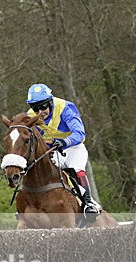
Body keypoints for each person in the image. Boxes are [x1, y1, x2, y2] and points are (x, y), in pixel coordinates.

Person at [26, 83, 100, 220]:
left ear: (50, 102)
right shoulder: (29, 117)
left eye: (43, 107)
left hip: (73, 148)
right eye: (35, 108)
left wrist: (64, 142)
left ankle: (89, 203)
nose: (40, 112)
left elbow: (80, 133)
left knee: (76, 170)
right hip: (52, 152)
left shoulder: (65, 108)